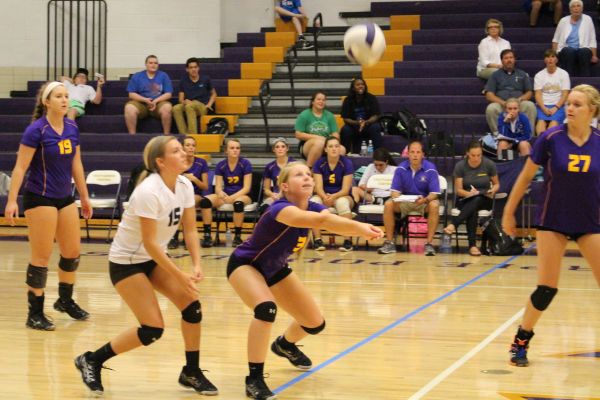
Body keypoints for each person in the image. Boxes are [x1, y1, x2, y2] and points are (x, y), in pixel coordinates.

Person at [74, 136, 218, 395]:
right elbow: (150, 243)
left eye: (183, 148)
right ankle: (92, 359)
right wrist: (179, 274)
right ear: (160, 162)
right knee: (152, 329)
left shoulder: (184, 185)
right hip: (127, 262)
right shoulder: (148, 191)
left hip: (152, 259)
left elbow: (190, 229)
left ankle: (191, 372)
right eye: (176, 150)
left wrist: (196, 264)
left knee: (192, 309)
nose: (185, 153)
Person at [227, 161, 383, 399]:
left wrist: (364, 231)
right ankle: (254, 379)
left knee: (314, 323)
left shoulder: (313, 207)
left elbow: (333, 224)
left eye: (309, 174)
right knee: (266, 310)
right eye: (299, 175)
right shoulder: (280, 208)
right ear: (286, 186)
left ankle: (284, 345)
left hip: (275, 268)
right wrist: (360, 227)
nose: (307, 178)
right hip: (246, 265)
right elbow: (323, 222)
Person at [502, 84, 600, 367]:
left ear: (592, 110)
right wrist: (509, 212)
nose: (569, 108)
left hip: (590, 221)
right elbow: (524, 178)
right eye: (568, 103)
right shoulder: (551, 138)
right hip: (553, 221)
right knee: (547, 288)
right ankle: (522, 338)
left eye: (577, 104)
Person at [3, 81, 93, 331]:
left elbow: (77, 164)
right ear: (47, 101)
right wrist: (12, 200)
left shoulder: (72, 127)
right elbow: (20, 167)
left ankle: (64, 301)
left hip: (64, 197)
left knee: (72, 252)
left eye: (67, 96)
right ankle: (35, 313)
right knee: (41, 257)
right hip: (40, 197)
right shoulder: (36, 130)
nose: (65, 100)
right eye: (59, 96)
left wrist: (84, 197)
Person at [378, 140, 440, 255]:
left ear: (423, 154)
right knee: (388, 204)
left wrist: (425, 200)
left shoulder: (431, 168)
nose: (415, 155)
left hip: (423, 202)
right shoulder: (401, 168)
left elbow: (434, 193)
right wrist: (400, 198)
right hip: (405, 202)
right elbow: (394, 192)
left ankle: (429, 244)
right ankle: (389, 243)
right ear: (408, 154)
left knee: (435, 205)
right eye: (412, 152)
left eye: (418, 152)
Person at [443, 141, 500, 256]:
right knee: (473, 205)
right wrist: (469, 194)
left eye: (479, 155)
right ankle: (472, 247)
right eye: (473, 155)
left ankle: (454, 224)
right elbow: (458, 190)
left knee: (477, 199)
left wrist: (492, 190)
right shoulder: (460, 166)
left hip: (485, 198)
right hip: (466, 198)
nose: (476, 158)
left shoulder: (489, 164)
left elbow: (497, 184)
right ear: (467, 154)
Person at [200, 139, 252, 247]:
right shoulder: (221, 165)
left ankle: (237, 237)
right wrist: (220, 193)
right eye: (232, 148)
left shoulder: (245, 164)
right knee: (205, 202)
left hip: (243, 196)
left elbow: (247, 188)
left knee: (238, 204)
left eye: (237, 148)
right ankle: (207, 236)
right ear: (226, 151)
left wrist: (232, 197)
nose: (235, 150)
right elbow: (218, 187)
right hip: (226, 194)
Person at [311, 137, 356, 252]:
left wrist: (333, 197)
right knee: (314, 202)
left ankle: (347, 241)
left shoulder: (346, 163)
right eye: (330, 146)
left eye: (336, 146)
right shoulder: (319, 163)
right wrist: (325, 197)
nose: (334, 149)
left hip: (342, 195)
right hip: (323, 195)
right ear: (325, 149)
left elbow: (346, 189)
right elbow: (318, 187)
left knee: (342, 203)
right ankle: (317, 240)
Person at [169, 135, 210, 250]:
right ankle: (174, 237)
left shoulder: (201, 163)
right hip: (177, 194)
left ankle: (190, 238)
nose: (191, 148)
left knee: (186, 203)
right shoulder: (177, 161)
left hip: (195, 194)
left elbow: (205, 186)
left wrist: (194, 179)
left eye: (193, 145)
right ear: (182, 147)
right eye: (188, 145)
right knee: (177, 203)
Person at [485, 49, 536, 136]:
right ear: (502, 60)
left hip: (518, 104)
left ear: (514, 59)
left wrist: (519, 100)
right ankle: (498, 134)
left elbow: (529, 92)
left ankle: (528, 134)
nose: (509, 60)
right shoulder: (495, 75)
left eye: (511, 57)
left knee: (530, 106)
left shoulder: (522, 74)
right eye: (506, 58)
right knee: (491, 108)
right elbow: (489, 95)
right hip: (502, 104)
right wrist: (503, 103)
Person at [124, 55, 173, 135]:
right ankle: (132, 136)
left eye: (155, 63)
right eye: (150, 63)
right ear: (146, 64)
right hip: (141, 104)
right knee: (129, 108)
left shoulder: (164, 76)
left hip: (158, 104)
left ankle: (166, 135)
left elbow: (168, 94)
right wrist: (145, 100)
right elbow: (131, 94)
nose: (153, 65)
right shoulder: (137, 76)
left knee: (167, 107)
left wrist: (155, 101)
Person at [295, 91, 345, 168]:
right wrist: (319, 138)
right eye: (318, 99)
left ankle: (334, 172)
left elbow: (335, 134)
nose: (321, 101)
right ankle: (309, 169)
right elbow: (298, 134)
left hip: (327, 143)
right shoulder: (304, 115)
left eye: (323, 100)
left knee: (342, 149)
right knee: (319, 143)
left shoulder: (330, 115)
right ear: (312, 102)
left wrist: (330, 141)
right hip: (307, 145)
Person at [552, 0, 598, 77]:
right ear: (570, 10)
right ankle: (567, 79)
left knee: (584, 52)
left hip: (583, 48)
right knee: (568, 51)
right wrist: (554, 55)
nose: (576, 8)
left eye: (578, 6)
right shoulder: (563, 20)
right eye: (573, 6)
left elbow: (592, 39)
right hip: (567, 48)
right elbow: (555, 40)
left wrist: (594, 55)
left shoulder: (588, 19)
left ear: (582, 9)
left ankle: (585, 81)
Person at [172, 57, 217, 135]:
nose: (193, 69)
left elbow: (214, 93)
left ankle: (193, 136)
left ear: (198, 68)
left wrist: (209, 105)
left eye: (195, 67)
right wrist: (184, 101)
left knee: (190, 106)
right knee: (175, 108)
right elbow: (180, 99)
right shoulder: (183, 81)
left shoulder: (205, 79)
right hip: (189, 105)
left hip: (202, 106)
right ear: (187, 69)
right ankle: (184, 135)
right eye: (191, 67)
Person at [340, 78, 383, 154]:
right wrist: (357, 123)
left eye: (362, 84)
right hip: (354, 126)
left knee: (376, 127)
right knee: (345, 129)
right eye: (358, 85)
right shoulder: (348, 100)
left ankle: (378, 153)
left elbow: (375, 115)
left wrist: (365, 122)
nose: (361, 86)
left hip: (368, 125)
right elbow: (345, 118)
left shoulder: (371, 98)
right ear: (353, 88)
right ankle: (345, 153)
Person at [534, 49, 571, 135]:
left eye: (553, 56)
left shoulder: (564, 74)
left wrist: (556, 107)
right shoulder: (539, 75)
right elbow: (538, 94)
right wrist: (544, 108)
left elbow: (565, 94)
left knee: (553, 125)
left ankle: (548, 145)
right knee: (541, 122)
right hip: (543, 105)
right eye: (548, 57)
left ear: (557, 60)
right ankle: (541, 144)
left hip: (559, 105)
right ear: (544, 60)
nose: (550, 59)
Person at [261, 137, 295, 211]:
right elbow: (266, 189)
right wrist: (272, 194)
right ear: (274, 150)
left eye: (283, 146)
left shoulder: (294, 164)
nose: (280, 149)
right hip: (276, 196)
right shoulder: (269, 167)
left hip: (292, 195)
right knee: (264, 208)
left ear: (287, 148)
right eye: (277, 147)